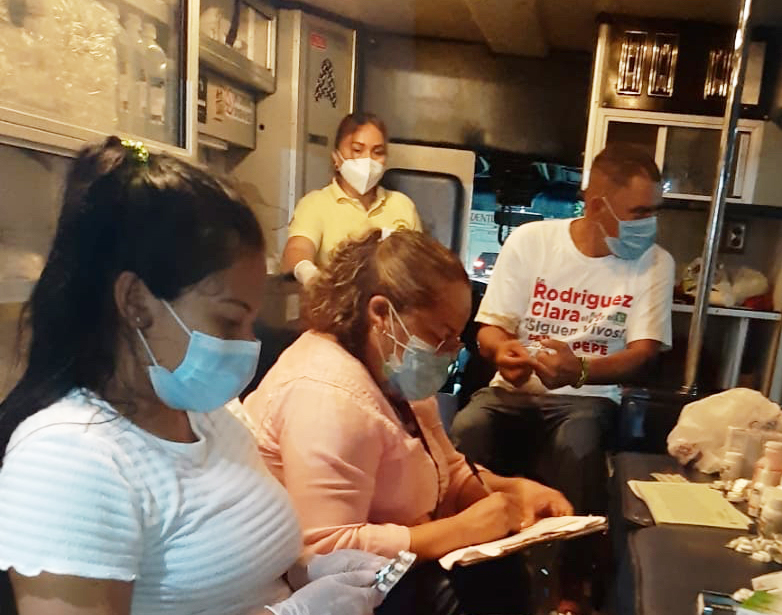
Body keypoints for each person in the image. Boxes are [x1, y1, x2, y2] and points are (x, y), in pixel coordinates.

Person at [0, 137, 388, 615]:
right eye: (229, 320)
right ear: (136, 302)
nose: (248, 343)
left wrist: (306, 570)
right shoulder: (69, 458)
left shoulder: (209, 413)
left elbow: (236, 565)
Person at [243, 228, 573, 615]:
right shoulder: (326, 397)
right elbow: (323, 554)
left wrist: (511, 490)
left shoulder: (393, 372)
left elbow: (446, 468)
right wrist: (462, 529)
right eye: (439, 336)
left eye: (456, 338)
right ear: (381, 313)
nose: (450, 353)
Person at [450, 142, 675, 614]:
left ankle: (572, 589)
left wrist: (583, 370)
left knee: (579, 443)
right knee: (468, 429)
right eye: (639, 212)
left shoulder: (656, 263)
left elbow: (643, 353)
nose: (649, 223)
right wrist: (502, 352)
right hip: (512, 393)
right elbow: (490, 329)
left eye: (654, 210)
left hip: (590, 397)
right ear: (596, 205)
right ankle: (467, 567)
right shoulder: (531, 242)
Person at [280, 113, 422, 285]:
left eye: (377, 152)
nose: (368, 159)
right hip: (334, 298)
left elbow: (421, 263)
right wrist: (309, 274)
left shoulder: (402, 205)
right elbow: (297, 249)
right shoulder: (315, 204)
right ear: (336, 158)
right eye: (357, 150)